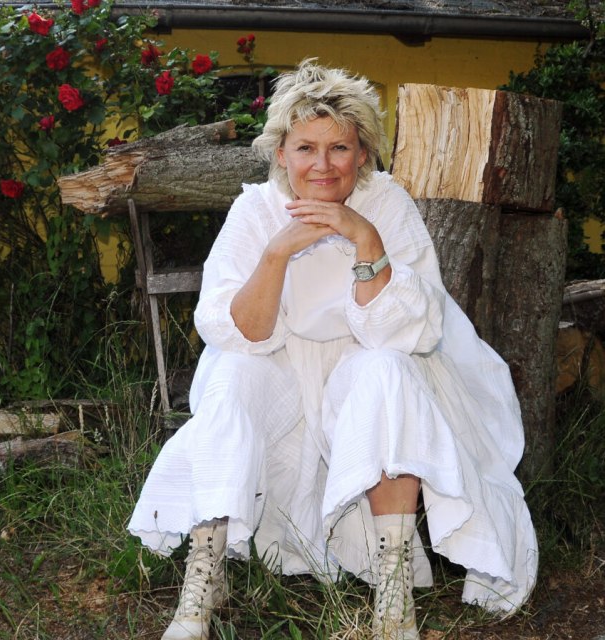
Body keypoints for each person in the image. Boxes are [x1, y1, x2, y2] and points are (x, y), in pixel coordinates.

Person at [128, 60, 538, 640]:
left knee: (386, 372)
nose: (322, 165)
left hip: (361, 361)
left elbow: (403, 332)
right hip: (278, 365)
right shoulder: (255, 209)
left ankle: (393, 594)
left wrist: (364, 237)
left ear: (362, 154)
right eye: (306, 148)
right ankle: (204, 576)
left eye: (339, 148)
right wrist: (277, 252)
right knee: (230, 379)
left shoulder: (387, 202)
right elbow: (239, 331)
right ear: (281, 154)